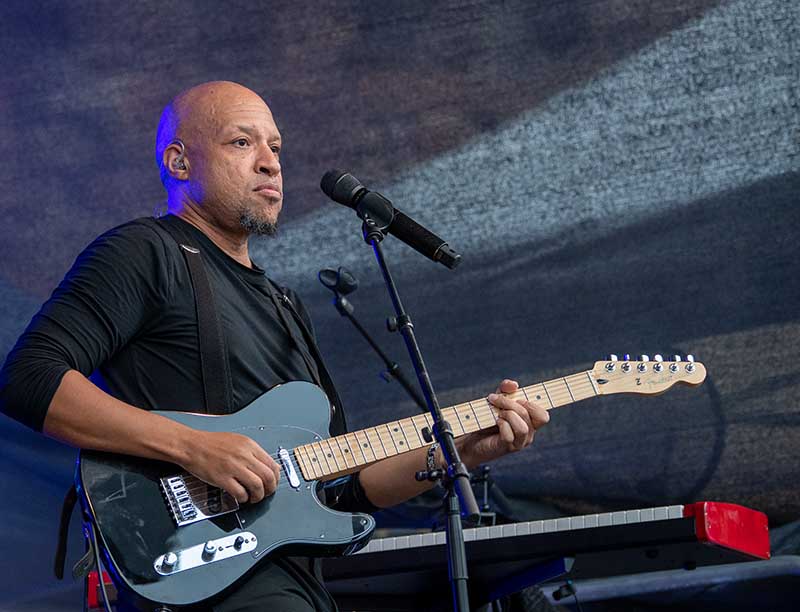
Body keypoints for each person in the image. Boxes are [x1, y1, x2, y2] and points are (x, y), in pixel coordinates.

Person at [0, 81, 549, 611]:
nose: (270, 161)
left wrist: (459, 451)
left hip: (294, 580)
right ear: (179, 163)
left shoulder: (284, 304)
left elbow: (341, 490)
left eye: (275, 146)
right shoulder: (146, 252)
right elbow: (29, 377)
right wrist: (193, 446)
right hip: (201, 569)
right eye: (242, 142)